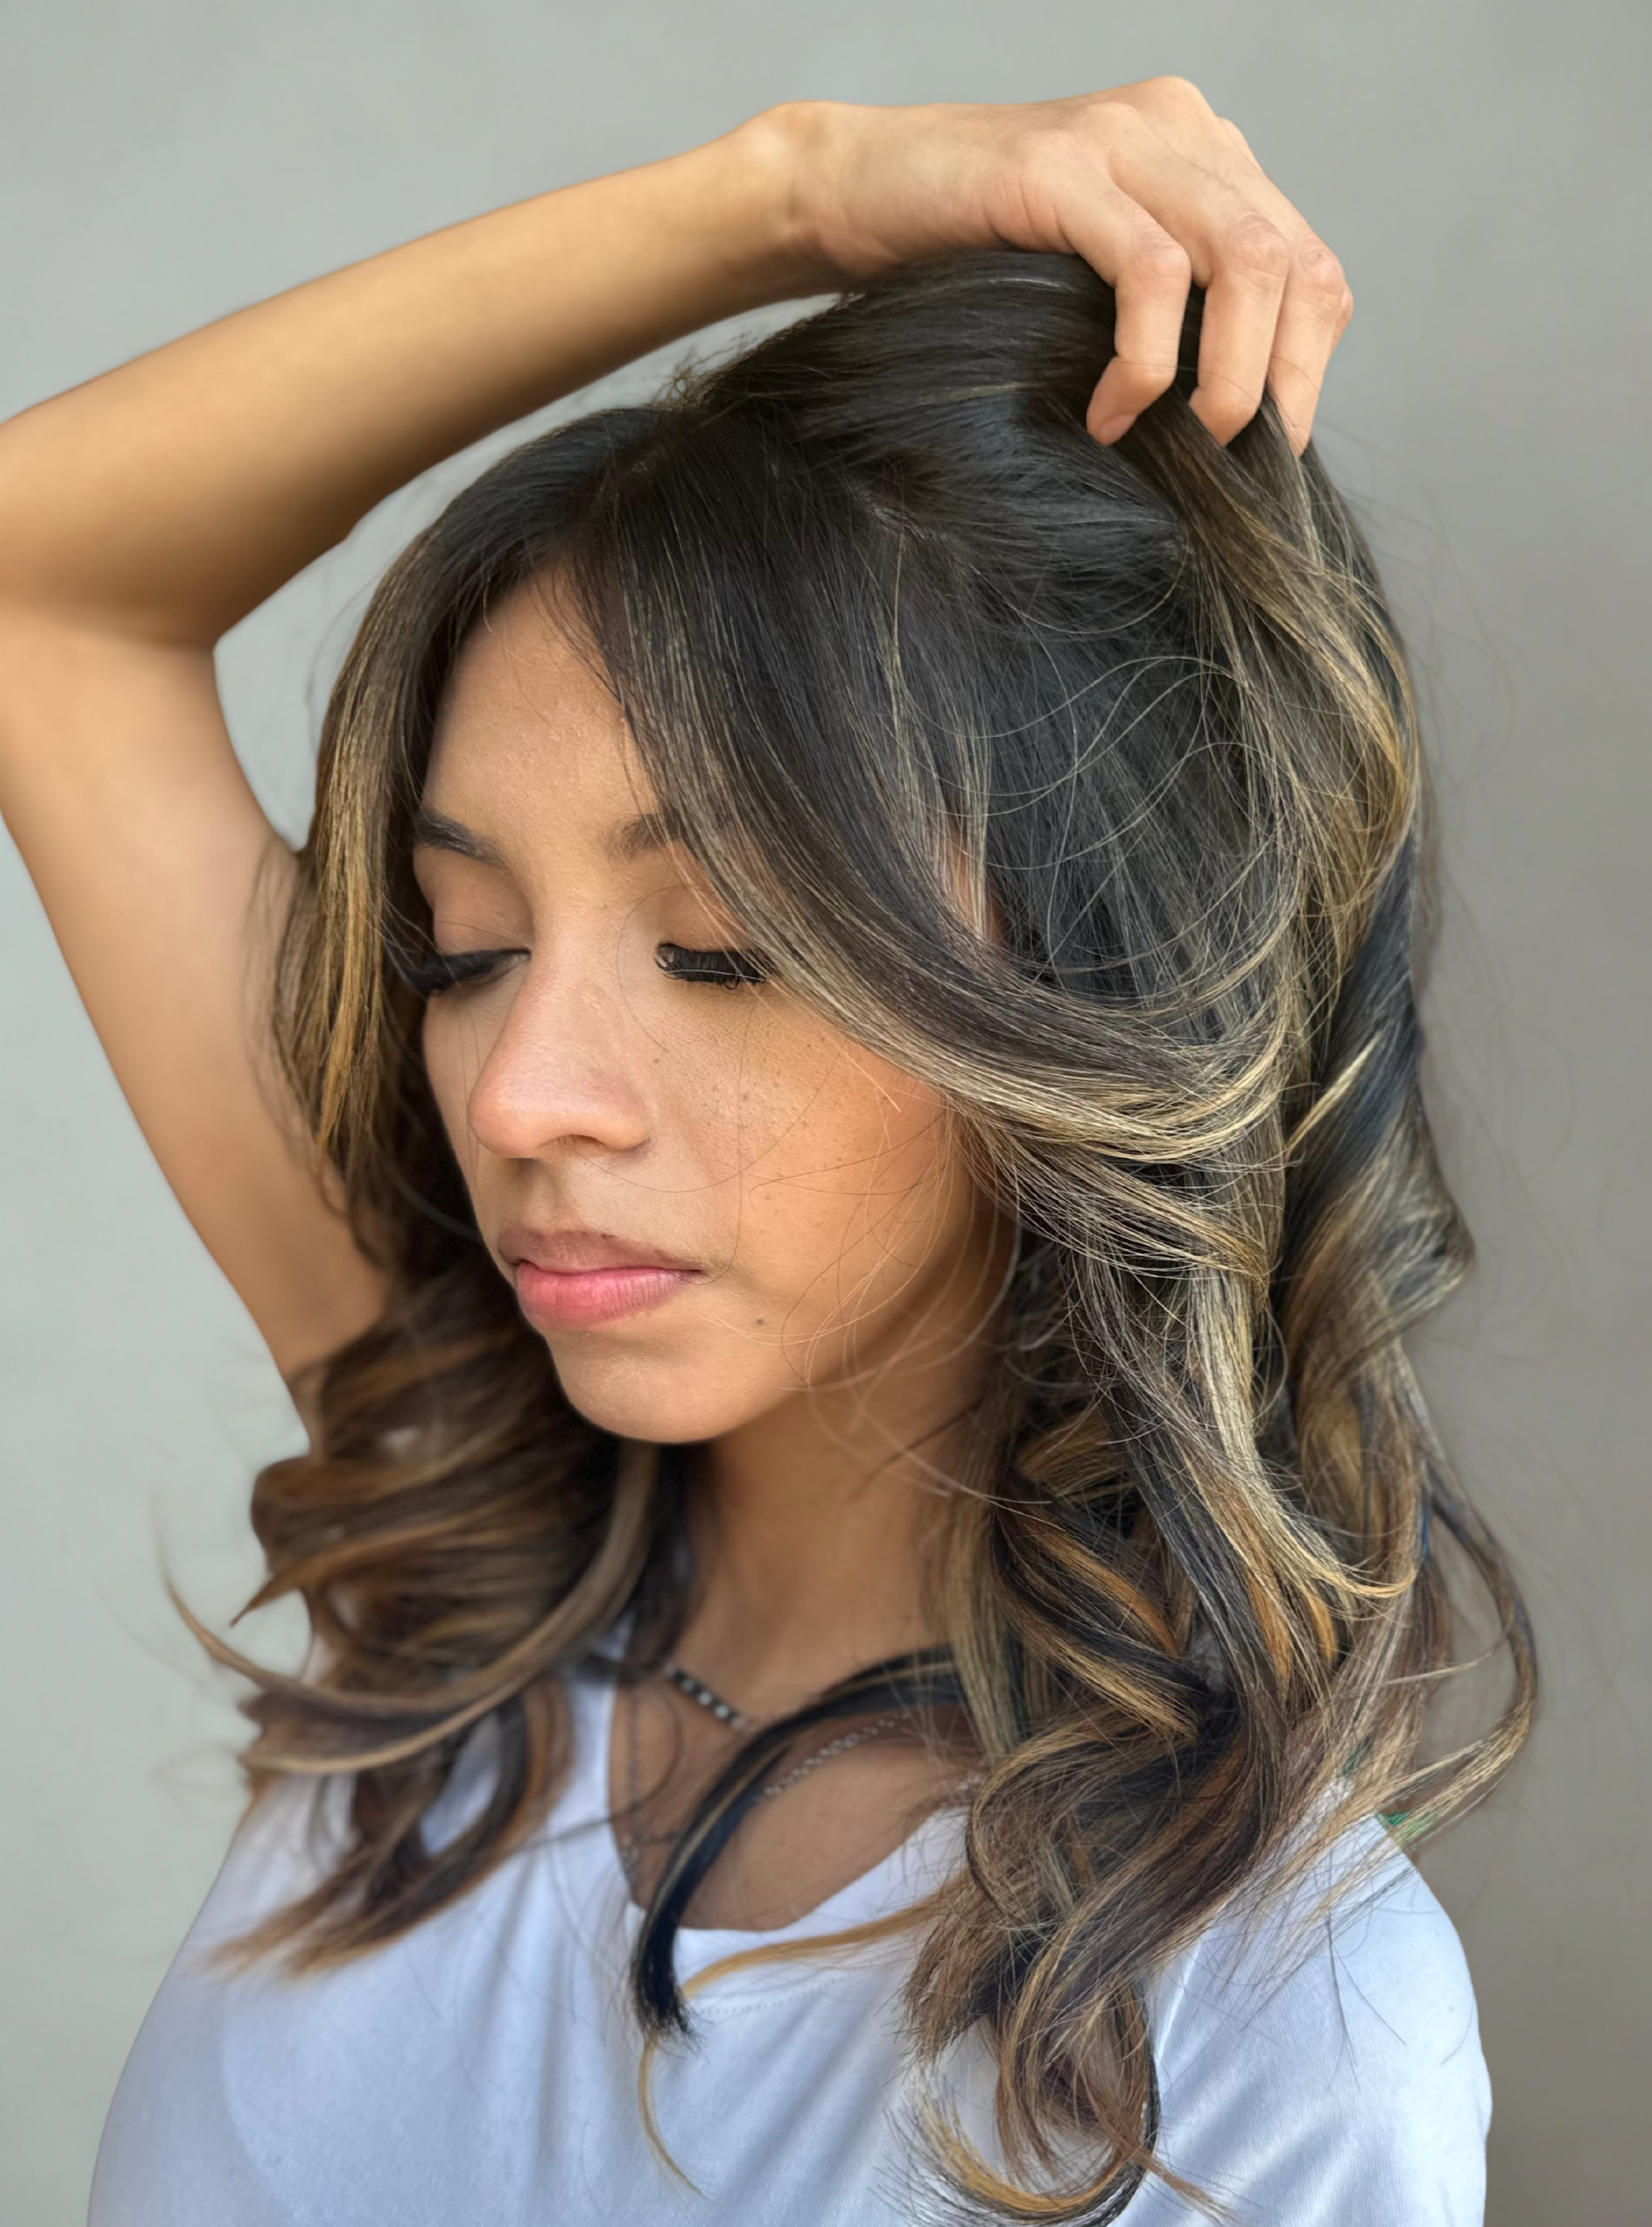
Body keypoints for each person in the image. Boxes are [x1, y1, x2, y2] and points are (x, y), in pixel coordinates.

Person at [0, 82, 1530, 2226]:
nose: (523, 1095)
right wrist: (792, 188)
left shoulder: (1266, 2042)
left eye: (719, 953)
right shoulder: (462, 1523)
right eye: (465, 946)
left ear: (1097, 1001)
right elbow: (42, 585)